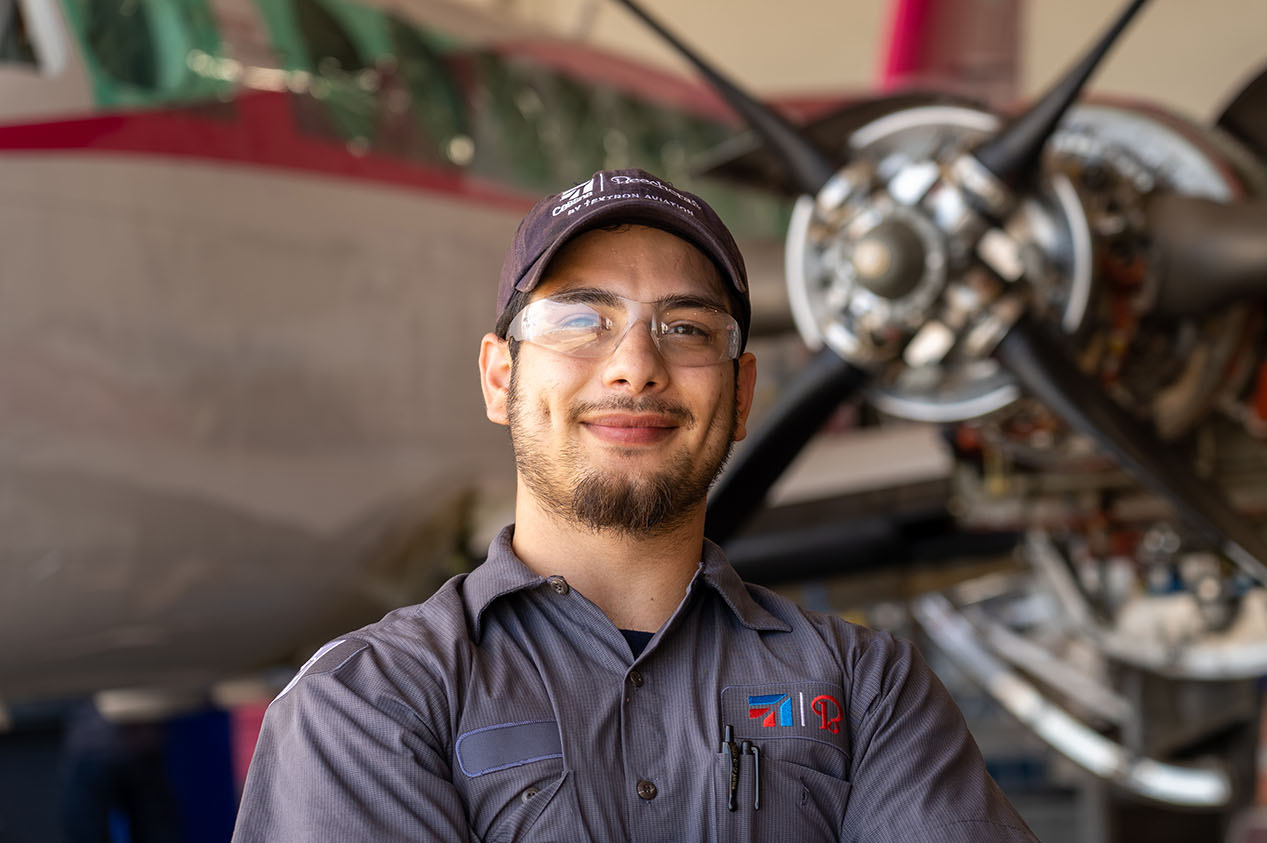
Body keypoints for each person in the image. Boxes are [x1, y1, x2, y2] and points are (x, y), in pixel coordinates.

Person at [231, 168, 1038, 842]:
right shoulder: (365, 704)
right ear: (500, 377)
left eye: (685, 328)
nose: (635, 365)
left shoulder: (871, 688)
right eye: (582, 319)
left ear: (742, 391)